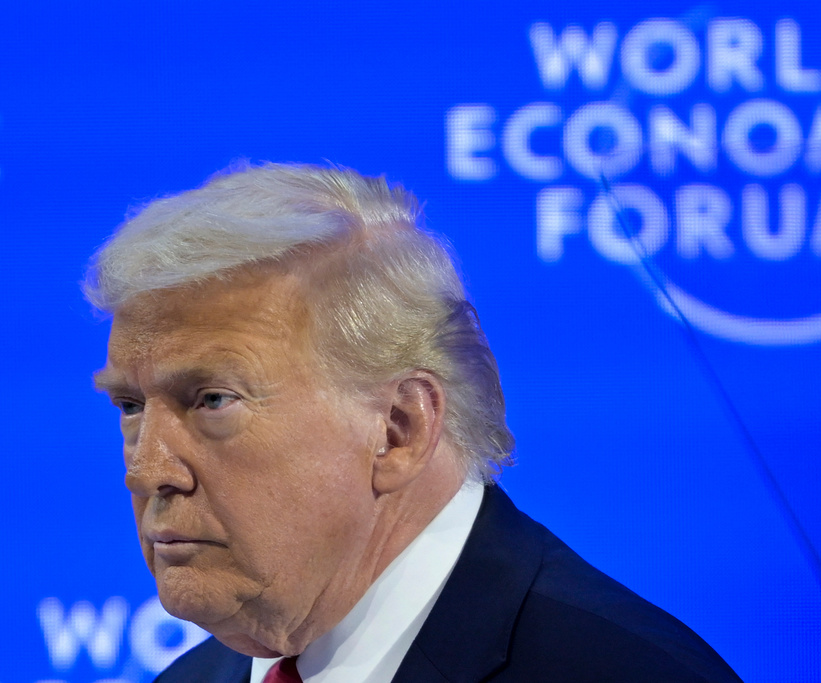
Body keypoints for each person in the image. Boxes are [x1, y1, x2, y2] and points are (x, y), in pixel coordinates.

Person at [86, 162, 742, 683]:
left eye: (211, 400)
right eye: (131, 407)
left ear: (398, 429)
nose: (148, 469)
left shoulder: (626, 671)